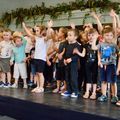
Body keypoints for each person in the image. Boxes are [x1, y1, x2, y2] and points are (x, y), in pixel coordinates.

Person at [23, 22, 47, 93]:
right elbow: (29, 34)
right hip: (36, 58)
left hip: (41, 59)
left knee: (40, 73)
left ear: (42, 31)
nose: (36, 32)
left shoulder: (44, 39)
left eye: (37, 30)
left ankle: (41, 87)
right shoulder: (36, 38)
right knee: (36, 73)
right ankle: (38, 86)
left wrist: (49, 28)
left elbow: (49, 35)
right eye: (35, 30)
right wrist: (24, 27)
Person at [97, 26, 119, 103]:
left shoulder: (114, 45)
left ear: (113, 36)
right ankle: (104, 95)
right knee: (103, 81)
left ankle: (115, 96)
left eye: (110, 35)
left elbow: (118, 53)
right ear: (103, 36)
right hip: (103, 65)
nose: (109, 37)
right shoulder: (101, 44)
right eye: (107, 35)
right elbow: (98, 52)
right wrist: (99, 60)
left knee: (113, 81)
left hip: (111, 64)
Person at [61, 29, 84, 98]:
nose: (68, 36)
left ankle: (75, 91)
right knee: (67, 77)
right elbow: (65, 54)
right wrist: (64, 60)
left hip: (74, 64)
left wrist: (71, 59)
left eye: (70, 35)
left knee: (73, 78)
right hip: (67, 63)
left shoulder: (78, 45)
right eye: (68, 35)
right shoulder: (67, 45)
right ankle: (69, 90)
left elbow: (77, 56)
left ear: (75, 37)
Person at [82, 28, 98, 100]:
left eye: (92, 35)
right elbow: (83, 54)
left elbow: (99, 54)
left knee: (94, 78)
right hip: (87, 63)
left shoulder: (98, 44)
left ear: (96, 36)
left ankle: (94, 92)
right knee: (88, 77)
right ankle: (87, 92)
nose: (91, 37)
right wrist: (77, 52)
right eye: (89, 35)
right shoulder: (85, 45)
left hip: (95, 63)